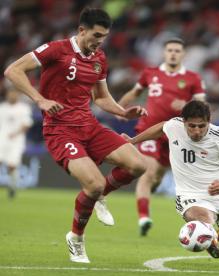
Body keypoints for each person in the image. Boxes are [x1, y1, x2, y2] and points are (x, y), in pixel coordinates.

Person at [4, 8, 148, 263]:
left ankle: (104, 194)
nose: (99, 42)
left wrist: (124, 113)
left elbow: (101, 98)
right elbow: (13, 71)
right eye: (96, 35)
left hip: (88, 125)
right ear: (81, 30)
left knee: (138, 164)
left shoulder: (99, 58)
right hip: (60, 130)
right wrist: (40, 99)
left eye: (103, 37)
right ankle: (76, 238)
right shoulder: (56, 49)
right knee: (93, 184)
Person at [123, 100, 219, 258]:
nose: (197, 131)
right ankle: (210, 238)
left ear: (209, 122)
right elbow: (162, 127)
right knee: (203, 219)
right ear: (184, 122)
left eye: (202, 126)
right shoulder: (174, 126)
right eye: (192, 126)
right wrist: (133, 140)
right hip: (190, 194)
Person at [117, 37, 206, 236]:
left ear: (183, 54)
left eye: (177, 50)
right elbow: (134, 92)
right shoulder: (150, 73)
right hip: (149, 130)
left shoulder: (193, 78)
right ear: (164, 53)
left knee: (157, 176)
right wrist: (119, 110)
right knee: (148, 173)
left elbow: (203, 107)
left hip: (175, 134)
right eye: (170, 50)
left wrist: (185, 106)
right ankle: (144, 218)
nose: (173, 53)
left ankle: (150, 193)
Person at [0, 87, 33, 198]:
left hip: (16, 142)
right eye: (10, 93)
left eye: (14, 93)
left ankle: (12, 187)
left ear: (18, 95)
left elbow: (27, 124)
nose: (11, 95)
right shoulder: (2, 107)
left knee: (12, 166)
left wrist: (16, 133)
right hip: (2, 140)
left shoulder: (23, 108)